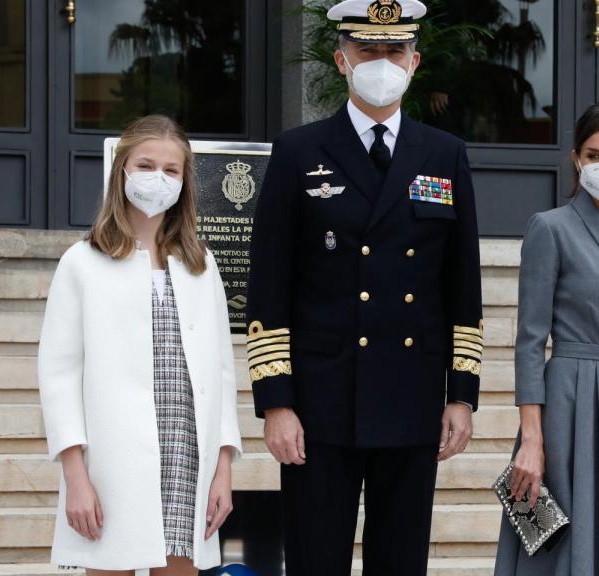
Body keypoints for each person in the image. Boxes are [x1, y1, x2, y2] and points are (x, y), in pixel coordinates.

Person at [244, 1, 483, 574]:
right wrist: (276, 402)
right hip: (320, 401)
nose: (381, 62)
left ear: (414, 62)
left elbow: (462, 285)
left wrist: (461, 394)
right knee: (314, 560)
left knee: (400, 562)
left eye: (394, 51)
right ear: (342, 59)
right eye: (367, 50)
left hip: (411, 394)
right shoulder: (298, 152)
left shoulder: (444, 154)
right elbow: (269, 283)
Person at [38, 115, 242, 575]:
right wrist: (76, 477)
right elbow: (59, 377)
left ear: (184, 182)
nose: (158, 179)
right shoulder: (82, 263)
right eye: (146, 166)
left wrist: (223, 469)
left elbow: (222, 373)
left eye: (171, 170)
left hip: (187, 456)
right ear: (122, 171)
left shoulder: (200, 264)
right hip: (114, 461)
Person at [494, 102, 599, 575]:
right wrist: (532, 440)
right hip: (570, 406)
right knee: (562, 546)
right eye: (594, 155)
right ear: (576, 159)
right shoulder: (550, 228)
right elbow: (530, 341)